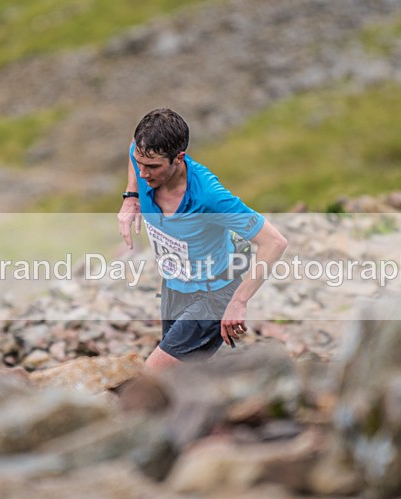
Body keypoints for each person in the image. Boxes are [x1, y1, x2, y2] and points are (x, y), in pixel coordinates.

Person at [117, 108, 288, 370]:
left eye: (152, 167)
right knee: (177, 377)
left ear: (179, 158)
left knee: (152, 374)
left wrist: (238, 303)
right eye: (139, 163)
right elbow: (133, 147)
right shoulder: (143, 158)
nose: (143, 174)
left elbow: (274, 242)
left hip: (214, 294)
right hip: (174, 287)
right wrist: (131, 197)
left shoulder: (210, 197)